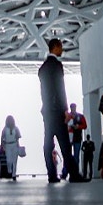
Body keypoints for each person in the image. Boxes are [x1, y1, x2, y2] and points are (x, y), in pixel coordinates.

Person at [38, 38, 85, 182]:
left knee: (48, 143)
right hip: (57, 111)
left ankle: (52, 175)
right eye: (61, 47)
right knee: (65, 144)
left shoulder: (43, 68)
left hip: (47, 111)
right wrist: (65, 109)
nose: (62, 50)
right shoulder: (57, 65)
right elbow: (59, 88)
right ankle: (74, 174)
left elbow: (44, 91)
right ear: (56, 47)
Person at [0, 114, 22, 180]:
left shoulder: (16, 128)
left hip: (14, 144)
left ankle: (14, 174)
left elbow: (18, 137)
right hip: (7, 145)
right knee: (9, 160)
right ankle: (9, 170)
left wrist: (18, 145)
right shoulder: (5, 129)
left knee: (15, 161)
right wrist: (2, 145)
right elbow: (2, 137)